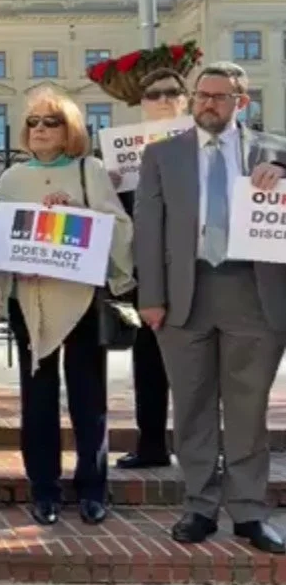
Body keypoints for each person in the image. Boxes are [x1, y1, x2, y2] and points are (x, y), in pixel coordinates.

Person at [135, 61, 286, 554]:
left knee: (247, 409)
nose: (208, 104)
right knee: (194, 407)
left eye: (220, 97)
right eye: (202, 95)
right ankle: (199, 506)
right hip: (185, 295)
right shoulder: (162, 155)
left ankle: (249, 512)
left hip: (253, 293)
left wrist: (283, 171)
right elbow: (148, 228)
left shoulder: (273, 150)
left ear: (241, 102)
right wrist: (151, 296)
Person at [0, 89, 134, 527]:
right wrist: (14, 273)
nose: (39, 129)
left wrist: (76, 214)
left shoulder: (88, 170)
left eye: (50, 122)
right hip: (30, 300)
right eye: (33, 122)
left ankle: (92, 488)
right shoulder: (11, 178)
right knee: (37, 399)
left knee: (88, 397)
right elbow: (5, 237)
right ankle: (45, 489)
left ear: (69, 129)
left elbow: (121, 228)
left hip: (82, 298)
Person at [111, 67, 189, 470]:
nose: (163, 100)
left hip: (198, 270)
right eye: (154, 94)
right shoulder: (124, 154)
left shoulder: (208, 144)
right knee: (149, 362)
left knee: (203, 365)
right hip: (147, 271)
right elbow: (120, 219)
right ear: (141, 104)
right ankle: (153, 443)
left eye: (172, 92)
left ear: (185, 99)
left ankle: (203, 448)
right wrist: (106, 189)